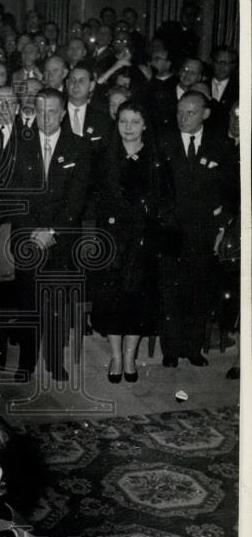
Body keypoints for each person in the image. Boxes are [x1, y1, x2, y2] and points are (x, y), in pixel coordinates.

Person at [87, 101, 174, 382]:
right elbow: (95, 198)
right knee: (112, 298)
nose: (128, 128)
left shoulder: (157, 159)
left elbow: (166, 200)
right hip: (112, 239)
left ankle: (129, 356)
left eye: (134, 122)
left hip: (143, 241)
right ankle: (114, 354)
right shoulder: (104, 156)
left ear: (145, 124)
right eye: (123, 121)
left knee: (140, 299)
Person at [10, 89, 92, 381]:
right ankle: (26, 362)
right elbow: (15, 195)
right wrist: (33, 231)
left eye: (52, 112)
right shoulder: (20, 144)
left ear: (63, 113)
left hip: (61, 238)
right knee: (27, 301)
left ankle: (55, 361)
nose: (46, 118)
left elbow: (77, 198)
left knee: (57, 303)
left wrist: (52, 231)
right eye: (40, 111)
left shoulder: (79, 147)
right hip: (28, 238)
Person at [158, 91, 233, 367]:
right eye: (179, 111)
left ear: (205, 114)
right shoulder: (164, 142)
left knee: (198, 290)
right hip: (171, 229)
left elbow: (229, 190)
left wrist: (222, 224)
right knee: (170, 290)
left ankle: (192, 348)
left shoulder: (219, 146)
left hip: (204, 230)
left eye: (190, 112)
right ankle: (170, 349)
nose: (182, 117)